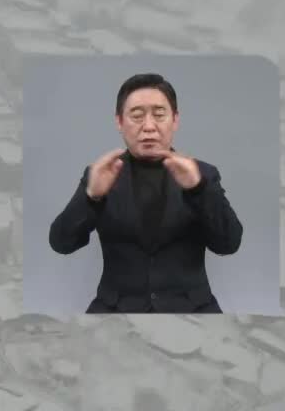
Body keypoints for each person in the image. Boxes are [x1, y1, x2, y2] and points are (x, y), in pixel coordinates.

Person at [47, 72, 244, 313]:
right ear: (119, 122)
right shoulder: (101, 173)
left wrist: (198, 189)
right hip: (116, 308)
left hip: (191, 308)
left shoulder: (202, 173)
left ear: (175, 120)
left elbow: (229, 244)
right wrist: (91, 197)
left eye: (159, 115)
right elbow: (60, 243)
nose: (149, 126)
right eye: (137, 116)